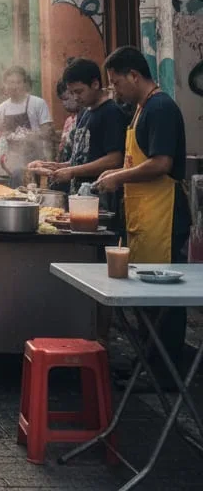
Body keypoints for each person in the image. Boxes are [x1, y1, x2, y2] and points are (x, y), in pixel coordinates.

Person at [98, 46, 191, 370]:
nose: (114, 90)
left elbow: (161, 163)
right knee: (147, 297)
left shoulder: (161, 107)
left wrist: (118, 176)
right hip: (145, 215)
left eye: (116, 83)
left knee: (163, 298)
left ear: (134, 76)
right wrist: (116, 173)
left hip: (163, 216)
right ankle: (150, 363)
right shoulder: (141, 108)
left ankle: (167, 370)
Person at [34, 60, 126, 195]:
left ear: (95, 84)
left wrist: (72, 171)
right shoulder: (84, 112)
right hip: (79, 195)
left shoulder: (111, 112)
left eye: (79, 91)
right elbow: (83, 158)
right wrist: (59, 167)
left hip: (102, 197)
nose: (76, 98)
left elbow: (115, 160)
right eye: (72, 93)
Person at [0, 65, 53, 179]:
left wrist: (30, 136)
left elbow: (48, 133)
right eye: (10, 82)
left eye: (18, 82)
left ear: (25, 84)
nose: (14, 86)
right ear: (4, 85)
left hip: (36, 161)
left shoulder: (38, 103)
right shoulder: (1, 109)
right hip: (10, 163)